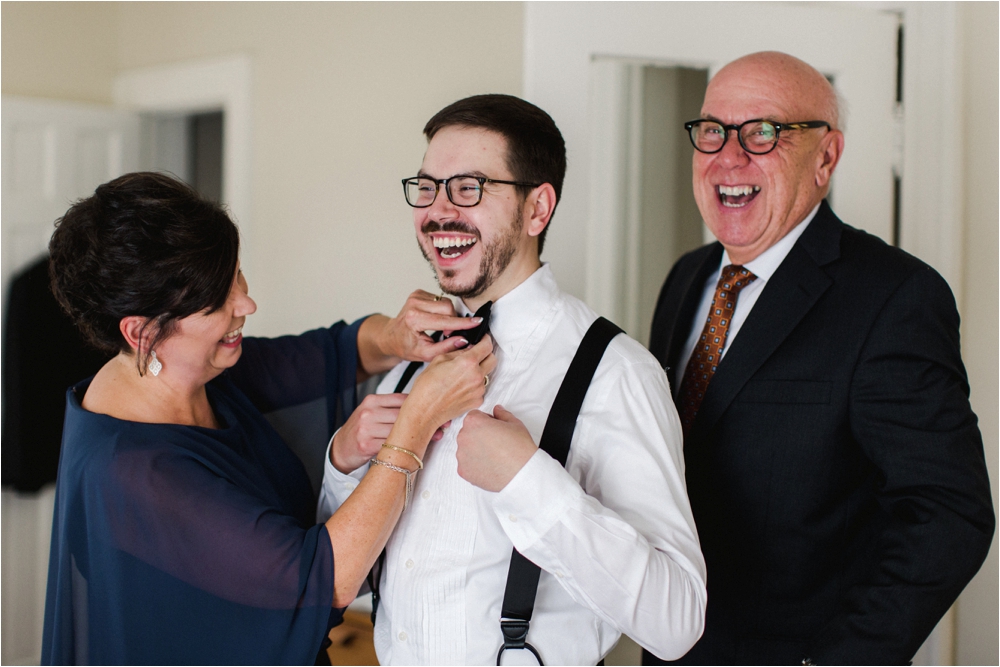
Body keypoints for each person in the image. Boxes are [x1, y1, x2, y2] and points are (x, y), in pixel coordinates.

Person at [41, 172, 496, 665]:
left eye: (236, 274)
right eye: (217, 301)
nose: (247, 304)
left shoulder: (190, 371)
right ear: (141, 332)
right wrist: (417, 422)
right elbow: (322, 579)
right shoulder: (135, 473)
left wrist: (393, 335)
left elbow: (326, 355)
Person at [319, 94, 706, 665]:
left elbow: (677, 622)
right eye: (427, 188)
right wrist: (344, 464)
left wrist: (529, 482)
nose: (438, 211)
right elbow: (360, 579)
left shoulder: (615, 373)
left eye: (469, 187)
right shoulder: (407, 365)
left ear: (537, 209)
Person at [645, 52, 995, 665]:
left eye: (763, 132)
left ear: (826, 157)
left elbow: (947, 514)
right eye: (712, 131)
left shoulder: (894, 296)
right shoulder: (685, 280)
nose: (729, 157)